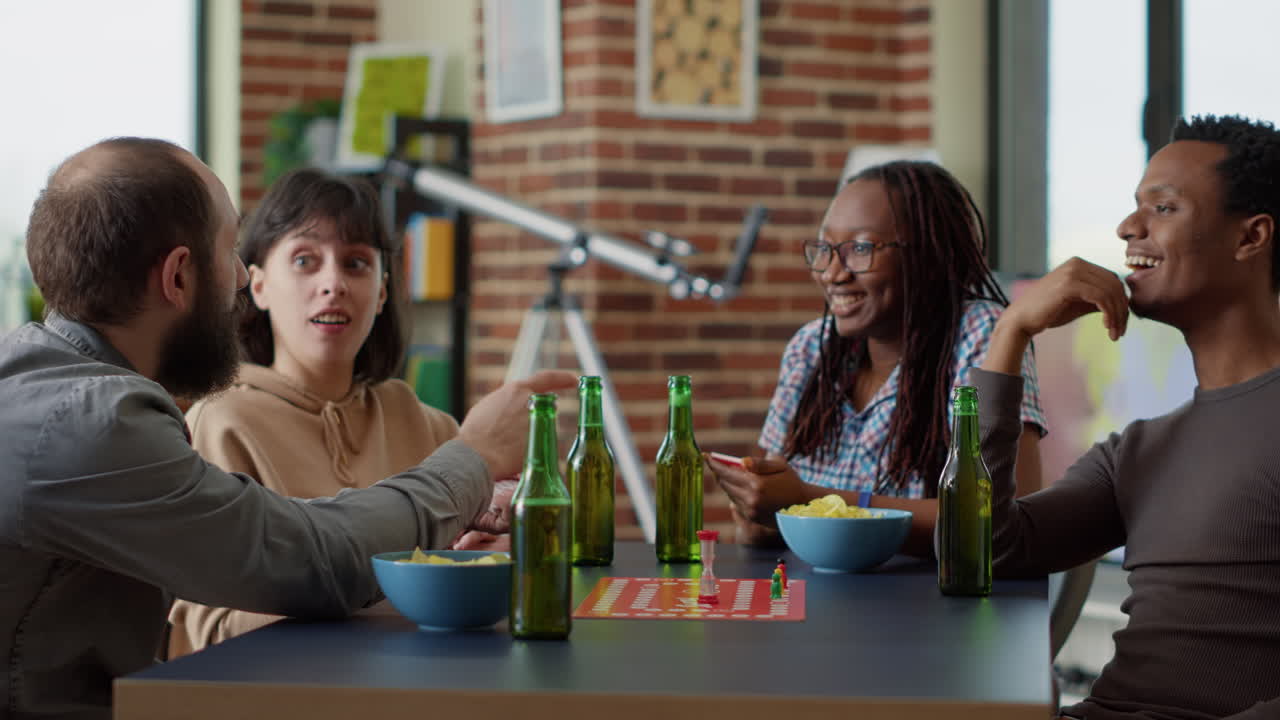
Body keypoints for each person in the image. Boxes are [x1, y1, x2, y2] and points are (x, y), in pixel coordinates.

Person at [0, 137, 575, 718]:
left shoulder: (50, 393)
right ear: (178, 277)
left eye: (357, 262)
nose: (237, 283)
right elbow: (311, 560)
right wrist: (473, 454)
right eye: (228, 253)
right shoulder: (94, 425)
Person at [974, 114, 1280, 719]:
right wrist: (1012, 333)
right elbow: (985, 549)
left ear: (1251, 238)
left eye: (1163, 208)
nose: (1127, 227)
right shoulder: (1138, 450)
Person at [165, 168, 493, 656]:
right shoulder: (220, 423)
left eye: (356, 263)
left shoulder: (430, 425)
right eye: (304, 260)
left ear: (382, 291)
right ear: (257, 286)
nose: (333, 283)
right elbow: (204, 631)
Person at [709, 161, 1047, 553]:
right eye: (825, 249)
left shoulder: (983, 336)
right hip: (817, 599)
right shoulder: (811, 348)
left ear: (929, 254)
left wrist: (811, 501)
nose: (833, 273)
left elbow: (1001, 518)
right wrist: (759, 519)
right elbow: (776, 504)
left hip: (932, 606)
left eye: (861, 248)